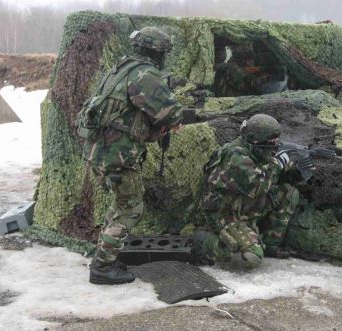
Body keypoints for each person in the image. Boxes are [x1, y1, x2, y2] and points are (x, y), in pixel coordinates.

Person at [78, 27, 183, 285]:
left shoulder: (120, 69)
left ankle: (106, 254)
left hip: (101, 150)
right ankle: (103, 267)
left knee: (121, 203)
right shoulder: (144, 74)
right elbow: (170, 113)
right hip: (118, 154)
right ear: (157, 52)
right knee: (131, 207)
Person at [191, 113, 300, 271]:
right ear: (256, 141)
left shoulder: (255, 150)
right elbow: (258, 186)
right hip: (224, 216)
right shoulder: (235, 156)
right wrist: (278, 163)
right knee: (250, 258)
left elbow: (274, 173)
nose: (274, 147)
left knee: (289, 193)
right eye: (270, 144)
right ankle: (202, 241)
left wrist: (296, 168)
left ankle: (270, 244)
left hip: (246, 208)